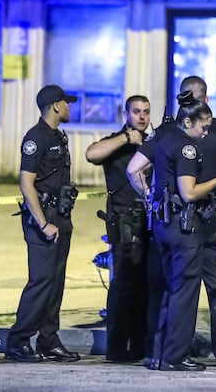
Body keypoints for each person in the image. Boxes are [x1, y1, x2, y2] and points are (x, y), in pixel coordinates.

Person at [127, 76, 216, 367]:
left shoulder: (164, 135)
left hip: (164, 225)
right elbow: (190, 192)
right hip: (187, 227)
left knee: (168, 290)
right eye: (203, 126)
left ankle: (159, 355)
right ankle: (175, 357)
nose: (206, 132)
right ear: (192, 120)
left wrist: (151, 196)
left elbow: (133, 169)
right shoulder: (188, 147)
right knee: (186, 292)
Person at [5, 84, 80, 363]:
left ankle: (49, 339)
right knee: (41, 281)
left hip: (60, 219)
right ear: (55, 106)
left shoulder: (57, 137)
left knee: (55, 283)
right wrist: (43, 223)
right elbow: (27, 183)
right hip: (43, 222)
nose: (70, 107)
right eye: (66, 103)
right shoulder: (35, 137)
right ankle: (18, 340)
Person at [85, 95, 152, 363]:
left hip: (149, 221)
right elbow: (91, 153)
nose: (142, 116)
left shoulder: (152, 142)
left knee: (144, 287)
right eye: (136, 111)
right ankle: (115, 347)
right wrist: (127, 139)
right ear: (126, 113)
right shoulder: (116, 141)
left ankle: (139, 346)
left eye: (146, 111)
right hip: (124, 221)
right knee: (123, 286)